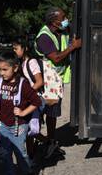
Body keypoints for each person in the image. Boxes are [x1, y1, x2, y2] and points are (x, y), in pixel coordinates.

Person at [34, 8, 81, 158]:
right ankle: (44, 142)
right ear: (54, 22)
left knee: (52, 113)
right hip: (47, 80)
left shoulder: (61, 31)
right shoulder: (44, 37)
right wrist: (73, 47)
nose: (66, 19)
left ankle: (51, 141)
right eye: (63, 17)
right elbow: (56, 58)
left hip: (55, 78)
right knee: (45, 111)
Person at [0, 50, 41, 175]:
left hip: (19, 126)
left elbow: (36, 102)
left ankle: (28, 174)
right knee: (4, 154)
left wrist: (23, 112)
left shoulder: (23, 85)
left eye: (5, 69)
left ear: (15, 68)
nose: (2, 73)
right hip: (3, 124)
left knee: (21, 153)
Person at [12, 38, 45, 159]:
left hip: (35, 99)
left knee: (31, 130)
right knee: (28, 131)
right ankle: (31, 155)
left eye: (16, 48)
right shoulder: (20, 63)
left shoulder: (32, 62)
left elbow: (39, 82)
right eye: (13, 48)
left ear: (24, 49)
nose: (14, 51)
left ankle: (47, 143)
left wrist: (27, 94)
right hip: (27, 100)